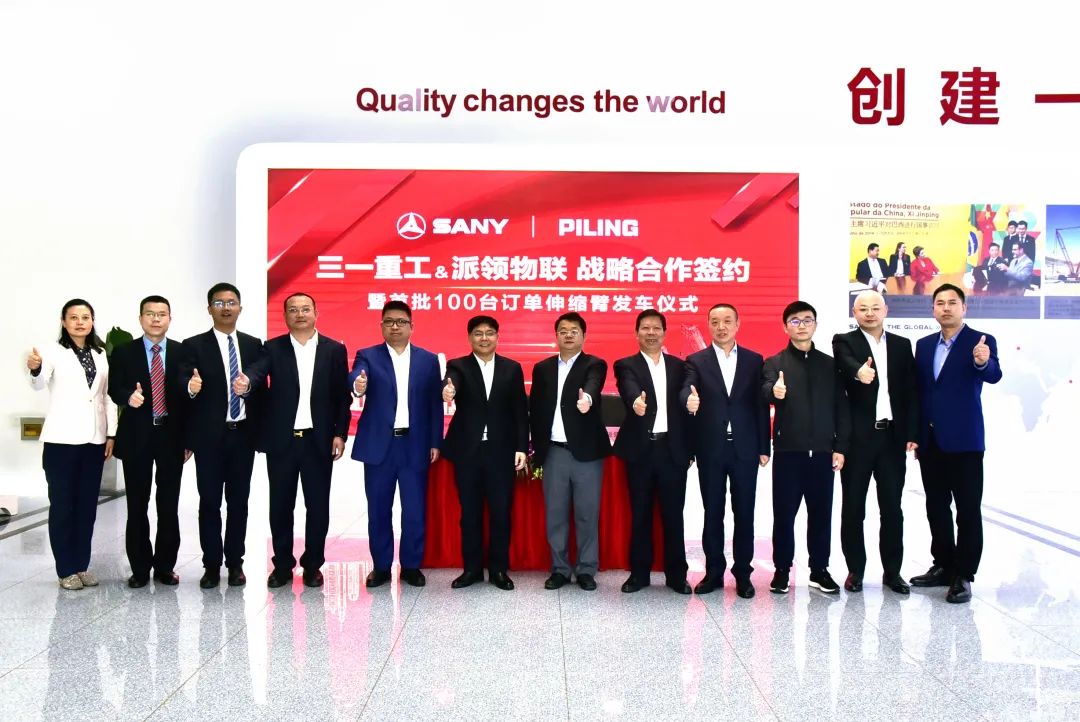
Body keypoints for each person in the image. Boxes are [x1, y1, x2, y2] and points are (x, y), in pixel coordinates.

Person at [237, 292, 351, 589]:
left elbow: (342, 395)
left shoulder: (334, 350)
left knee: (318, 507)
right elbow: (257, 371)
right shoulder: (273, 348)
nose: (300, 314)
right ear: (285, 315)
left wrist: (340, 433)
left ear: (316, 313)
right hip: (282, 443)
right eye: (293, 309)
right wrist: (246, 382)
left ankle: (313, 565)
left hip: (318, 442)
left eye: (305, 309)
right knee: (280, 506)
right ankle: (282, 565)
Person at [910, 284, 1002, 604]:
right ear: (933, 309)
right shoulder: (923, 345)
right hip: (930, 441)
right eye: (940, 303)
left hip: (965, 441)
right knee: (936, 506)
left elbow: (993, 374)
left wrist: (982, 362)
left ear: (964, 308)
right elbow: (920, 393)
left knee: (967, 509)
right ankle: (944, 565)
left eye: (952, 302)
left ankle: (963, 574)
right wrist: (915, 434)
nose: (946, 308)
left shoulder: (981, 341)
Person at [349, 301, 443, 589]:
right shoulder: (368, 355)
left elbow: (434, 404)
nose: (395, 326)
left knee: (414, 510)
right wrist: (358, 385)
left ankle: (411, 566)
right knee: (379, 509)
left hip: (415, 444)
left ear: (412, 326)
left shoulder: (428, 360)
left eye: (401, 322)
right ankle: (380, 566)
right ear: (381, 326)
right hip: (380, 446)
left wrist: (435, 441)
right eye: (389, 321)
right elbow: (357, 377)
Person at [27, 299, 117, 590]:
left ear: (92, 322)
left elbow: (106, 396)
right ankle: (65, 569)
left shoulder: (100, 354)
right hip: (61, 441)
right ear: (64, 322)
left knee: (87, 507)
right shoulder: (53, 351)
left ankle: (81, 565)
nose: (80, 322)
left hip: (94, 439)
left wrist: (111, 434)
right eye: (74, 317)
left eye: (85, 317)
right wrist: (36, 370)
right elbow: (39, 383)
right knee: (63, 505)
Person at [681, 303, 770, 598]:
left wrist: (764, 446)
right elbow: (687, 388)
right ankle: (714, 573)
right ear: (708, 325)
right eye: (715, 321)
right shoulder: (696, 360)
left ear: (737, 324)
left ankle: (743, 574)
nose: (721, 327)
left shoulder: (754, 360)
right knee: (713, 513)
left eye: (727, 321)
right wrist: (688, 399)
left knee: (744, 513)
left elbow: (760, 406)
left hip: (745, 448)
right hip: (711, 449)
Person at [832, 291, 917, 595]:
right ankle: (855, 570)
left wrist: (912, 433)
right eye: (863, 308)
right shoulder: (844, 341)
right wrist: (859, 371)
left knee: (892, 508)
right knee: (854, 507)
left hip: (892, 438)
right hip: (858, 439)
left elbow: (910, 392)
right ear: (855, 313)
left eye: (875, 308)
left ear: (886, 310)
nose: (869, 313)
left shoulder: (902, 345)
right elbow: (845, 362)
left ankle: (893, 572)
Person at [762, 301, 850, 595]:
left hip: (823, 453)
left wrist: (840, 446)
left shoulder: (830, 364)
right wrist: (774, 391)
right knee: (784, 515)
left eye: (807, 320)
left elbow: (841, 408)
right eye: (795, 321)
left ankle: (819, 570)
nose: (801, 326)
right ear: (785, 326)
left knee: (821, 514)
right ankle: (781, 570)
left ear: (815, 324)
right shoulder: (774, 363)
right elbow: (764, 391)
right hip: (789, 452)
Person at [181, 283, 265, 588]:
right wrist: (190, 388)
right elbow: (182, 384)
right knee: (209, 502)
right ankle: (211, 564)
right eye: (219, 303)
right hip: (209, 439)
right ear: (209, 309)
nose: (226, 308)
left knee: (239, 502)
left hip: (242, 436)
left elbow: (261, 384)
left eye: (231, 302)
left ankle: (235, 563)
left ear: (240, 308)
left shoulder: (253, 344)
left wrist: (250, 386)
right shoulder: (193, 345)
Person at [107, 295, 189, 588]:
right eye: (150, 314)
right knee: (137, 505)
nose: (156, 319)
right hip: (137, 438)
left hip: (171, 436)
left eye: (161, 314)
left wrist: (189, 439)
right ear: (140, 318)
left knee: (168, 505)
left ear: (170, 318)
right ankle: (139, 568)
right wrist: (128, 396)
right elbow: (114, 388)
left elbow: (189, 398)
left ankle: (165, 566)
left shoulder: (182, 352)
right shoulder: (124, 352)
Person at [441, 316, 528, 590]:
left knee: (501, 512)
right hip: (469, 451)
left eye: (490, 333)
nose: (484, 338)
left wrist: (521, 447)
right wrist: (448, 390)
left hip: (501, 452)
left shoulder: (511, 368)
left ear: (497, 337)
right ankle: (472, 570)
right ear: (470, 338)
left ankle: (499, 570)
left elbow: (520, 411)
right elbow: (451, 382)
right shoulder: (458, 365)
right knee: (470, 513)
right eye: (478, 333)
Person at [529, 312, 610, 592]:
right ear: (556, 335)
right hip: (554, 452)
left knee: (587, 514)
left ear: (584, 336)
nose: (568, 334)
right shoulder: (542, 368)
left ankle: (586, 569)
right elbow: (535, 408)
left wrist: (587, 399)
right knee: (556, 514)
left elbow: (593, 385)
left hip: (587, 453)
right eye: (563, 330)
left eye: (574, 330)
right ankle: (560, 569)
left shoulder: (594, 364)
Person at [612, 310, 691, 594]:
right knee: (641, 514)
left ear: (664, 333)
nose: (651, 333)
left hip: (672, 451)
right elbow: (628, 387)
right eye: (645, 328)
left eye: (656, 328)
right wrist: (635, 401)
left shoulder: (679, 366)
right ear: (636, 333)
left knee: (674, 516)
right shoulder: (626, 364)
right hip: (641, 452)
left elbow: (687, 397)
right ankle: (639, 574)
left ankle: (676, 576)